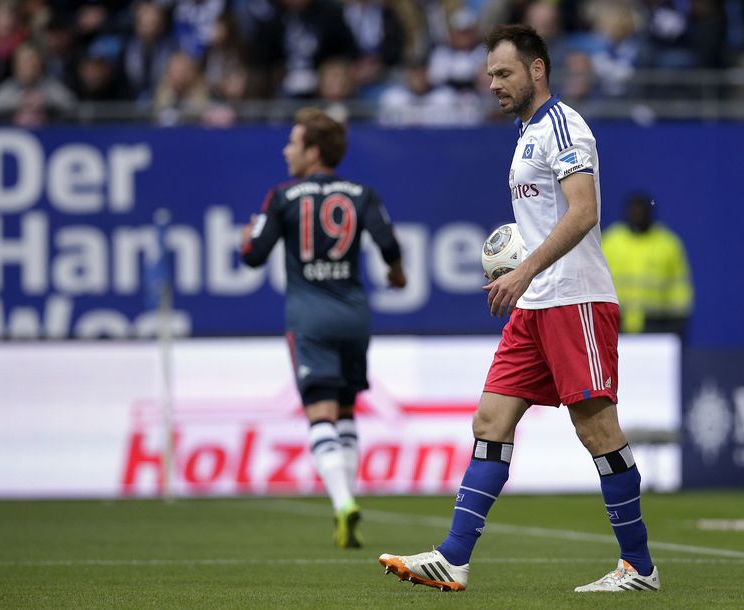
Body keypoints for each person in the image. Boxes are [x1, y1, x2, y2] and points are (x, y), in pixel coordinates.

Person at [379, 24, 661, 593]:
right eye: (489, 75)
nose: (492, 84)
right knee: (490, 420)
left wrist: (526, 268)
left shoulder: (563, 125)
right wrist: (521, 269)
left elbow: (583, 211)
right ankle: (454, 557)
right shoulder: (526, 132)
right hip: (533, 304)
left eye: (503, 73)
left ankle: (639, 567)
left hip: (573, 298)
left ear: (537, 69)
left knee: (598, 430)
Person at [240, 107, 407, 548]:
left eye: (293, 143)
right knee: (347, 410)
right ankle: (347, 507)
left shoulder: (282, 197)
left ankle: (341, 502)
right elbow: (388, 242)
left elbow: (254, 255)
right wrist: (396, 273)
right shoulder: (362, 193)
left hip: (309, 319)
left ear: (313, 152)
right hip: (353, 316)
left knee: (320, 412)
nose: (285, 150)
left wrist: (245, 239)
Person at [602, 193, 693, 338]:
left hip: (657, 325)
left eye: (642, 210)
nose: (638, 214)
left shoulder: (668, 244)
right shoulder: (611, 241)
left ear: (651, 212)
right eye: (634, 210)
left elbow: (679, 288)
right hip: (615, 323)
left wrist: (678, 322)